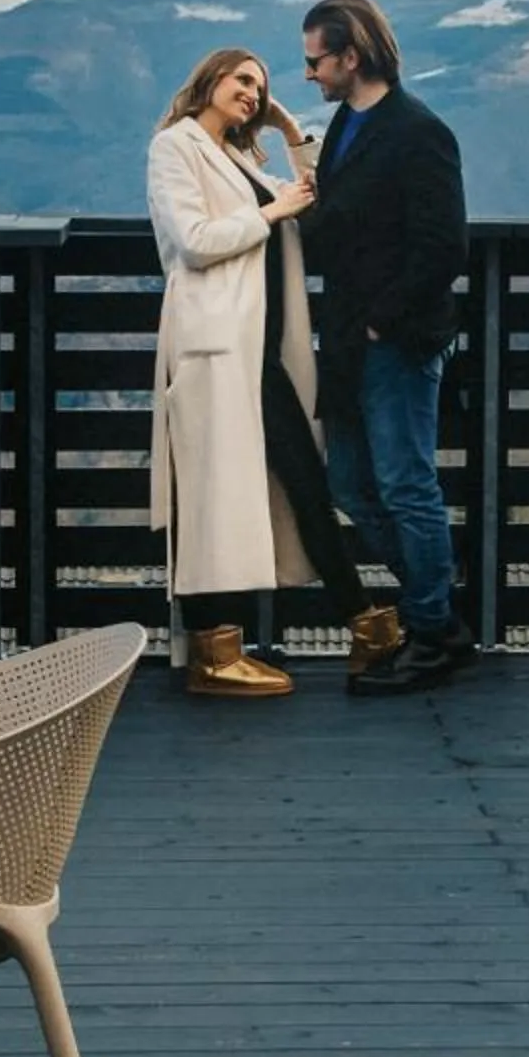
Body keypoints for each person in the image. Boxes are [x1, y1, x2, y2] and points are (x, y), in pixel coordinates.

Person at [146, 47, 405, 696]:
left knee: (299, 482)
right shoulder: (175, 147)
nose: (252, 94)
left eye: (260, 87)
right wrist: (270, 212)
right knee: (214, 493)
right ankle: (217, 654)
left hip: (257, 352)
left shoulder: (237, 156)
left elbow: (318, 200)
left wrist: (291, 134)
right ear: (208, 79)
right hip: (213, 349)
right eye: (242, 80)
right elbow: (194, 242)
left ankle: (368, 627)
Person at [296, 0, 473, 695]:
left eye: (316, 60)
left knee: (405, 484)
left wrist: (382, 321)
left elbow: (443, 246)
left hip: (392, 340)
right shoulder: (346, 124)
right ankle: (439, 617)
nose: (308, 73)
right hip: (346, 338)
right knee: (350, 485)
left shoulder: (418, 131)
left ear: (351, 56)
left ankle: (431, 632)